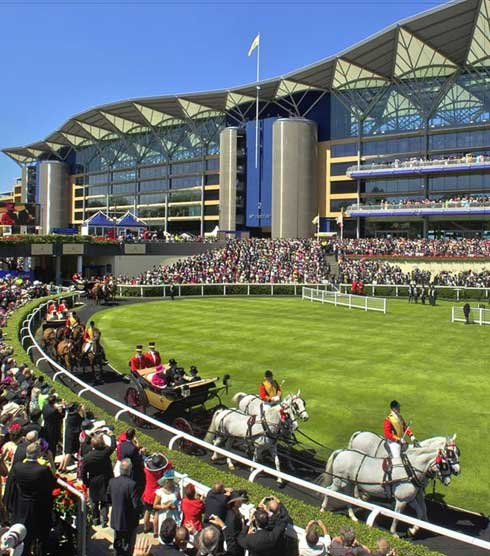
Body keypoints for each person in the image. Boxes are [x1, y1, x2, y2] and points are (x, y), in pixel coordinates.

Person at [10, 442, 57, 555]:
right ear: (39, 454)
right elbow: (52, 483)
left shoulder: (17, 467)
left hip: (21, 506)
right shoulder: (42, 470)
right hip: (38, 507)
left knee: (22, 537)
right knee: (39, 536)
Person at [107, 458, 141, 556]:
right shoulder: (132, 485)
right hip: (128, 521)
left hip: (116, 518)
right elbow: (136, 505)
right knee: (128, 546)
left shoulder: (112, 481)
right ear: (130, 470)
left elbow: (108, 498)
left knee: (117, 543)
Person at [81, 431, 116, 527]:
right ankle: (104, 520)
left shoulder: (87, 457)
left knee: (94, 501)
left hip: (93, 481)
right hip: (105, 480)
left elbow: (83, 471)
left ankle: (95, 519)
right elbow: (113, 446)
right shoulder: (105, 452)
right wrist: (112, 435)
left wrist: (86, 482)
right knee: (104, 501)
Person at [142, 453, 169, 535]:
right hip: (157, 495)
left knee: (147, 511)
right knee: (157, 513)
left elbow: (145, 461)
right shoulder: (161, 472)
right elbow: (169, 465)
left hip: (148, 493)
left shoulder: (147, 470)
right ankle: (155, 531)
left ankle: (146, 527)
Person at [118, 429, 146, 497]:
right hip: (133, 469)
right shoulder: (132, 448)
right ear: (133, 436)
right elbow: (138, 460)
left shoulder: (122, 444)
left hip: (124, 464)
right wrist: (141, 453)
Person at [59, 402, 85, 472]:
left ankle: (61, 467)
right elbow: (83, 418)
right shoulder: (76, 416)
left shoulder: (69, 415)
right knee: (69, 452)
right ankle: (64, 468)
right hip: (72, 435)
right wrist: (83, 410)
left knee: (66, 451)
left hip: (68, 433)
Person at [224, 491, 246, 556]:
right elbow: (232, 536)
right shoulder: (232, 517)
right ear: (235, 502)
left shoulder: (236, 511)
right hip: (235, 549)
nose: (241, 502)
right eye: (240, 500)